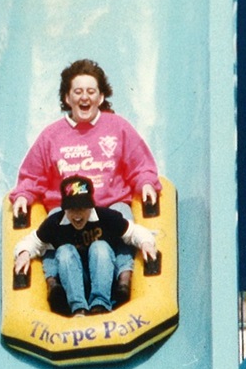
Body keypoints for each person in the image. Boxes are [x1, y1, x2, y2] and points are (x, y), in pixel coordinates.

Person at [9, 58, 161, 312]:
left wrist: (145, 182)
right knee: (53, 223)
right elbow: (32, 175)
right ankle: (54, 283)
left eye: (91, 91)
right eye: (78, 92)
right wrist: (24, 194)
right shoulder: (51, 136)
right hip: (68, 209)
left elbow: (140, 164)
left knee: (122, 214)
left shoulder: (118, 127)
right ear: (67, 98)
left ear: (101, 97)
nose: (84, 97)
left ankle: (123, 278)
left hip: (107, 206)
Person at [13, 176, 159, 317]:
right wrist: (24, 253)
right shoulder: (55, 223)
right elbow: (33, 241)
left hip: (103, 274)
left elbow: (133, 232)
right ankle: (78, 308)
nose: (77, 215)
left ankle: (100, 305)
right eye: (71, 209)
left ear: (91, 206)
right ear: (64, 208)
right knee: (64, 251)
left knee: (99, 247)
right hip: (76, 278)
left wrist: (146, 243)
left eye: (82, 208)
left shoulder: (106, 218)